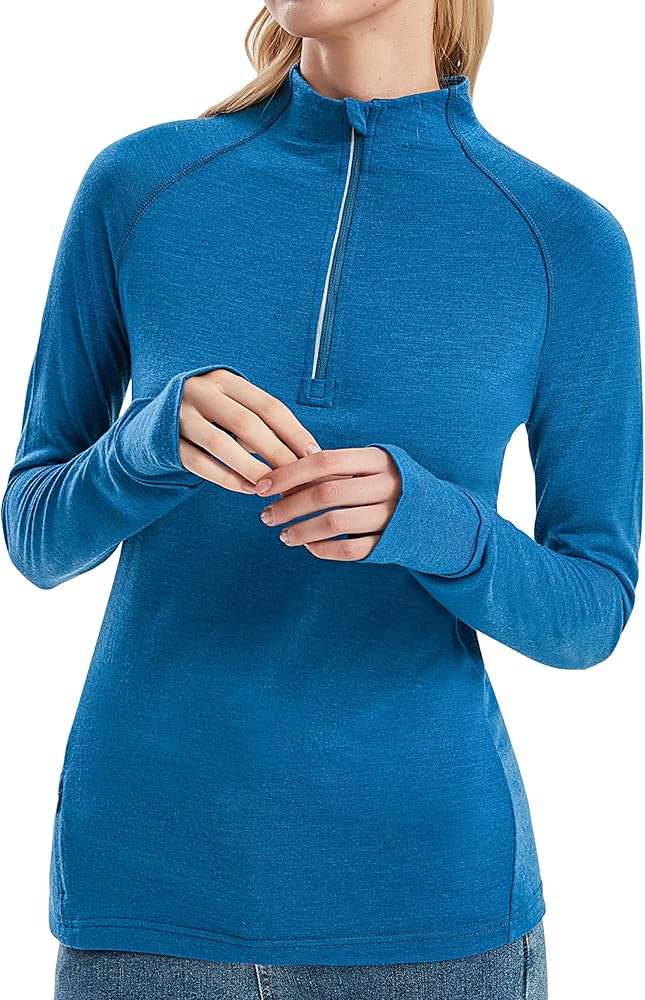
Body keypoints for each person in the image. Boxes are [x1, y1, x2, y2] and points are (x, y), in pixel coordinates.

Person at [2, 0, 641, 997]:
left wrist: (437, 525)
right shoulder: (140, 186)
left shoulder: (563, 240)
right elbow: (34, 533)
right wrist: (144, 445)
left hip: (429, 910)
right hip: (148, 889)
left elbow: (591, 609)